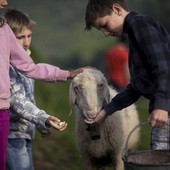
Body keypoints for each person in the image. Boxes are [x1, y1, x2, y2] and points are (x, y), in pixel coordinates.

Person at [0, 1, 83, 169]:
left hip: (17, 126)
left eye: (28, 36)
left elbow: (29, 74)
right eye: (20, 37)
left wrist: (65, 74)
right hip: (14, 134)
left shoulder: (3, 30)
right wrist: (43, 118)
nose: (25, 42)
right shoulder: (8, 67)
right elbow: (15, 99)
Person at [84, 0, 170, 151]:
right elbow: (137, 87)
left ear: (117, 9)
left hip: (166, 109)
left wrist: (162, 104)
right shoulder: (135, 33)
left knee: (160, 161)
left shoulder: (140, 24)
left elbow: (163, 65)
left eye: (104, 25)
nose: (105, 33)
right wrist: (105, 111)